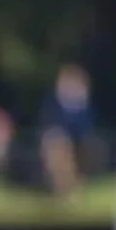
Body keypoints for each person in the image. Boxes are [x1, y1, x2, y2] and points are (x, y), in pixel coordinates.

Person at [39, 64, 94, 197]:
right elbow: (50, 130)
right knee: (57, 148)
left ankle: (73, 188)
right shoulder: (52, 105)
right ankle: (62, 189)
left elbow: (86, 131)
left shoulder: (85, 109)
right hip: (58, 144)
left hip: (78, 142)